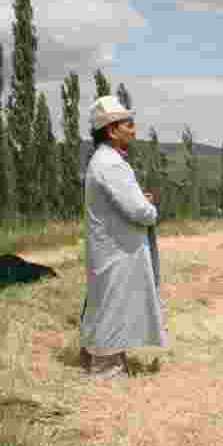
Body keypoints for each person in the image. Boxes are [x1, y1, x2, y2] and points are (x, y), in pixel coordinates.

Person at [81, 96, 166, 379]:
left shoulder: (103, 161)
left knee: (106, 301)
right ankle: (106, 367)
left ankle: (99, 357)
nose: (133, 130)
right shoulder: (112, 165)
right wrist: (150, 208)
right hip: (116, 251)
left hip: (111, 247)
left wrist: (139, 200)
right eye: (128, 125)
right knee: (114, 304)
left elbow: (124, 201)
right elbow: (138, 211)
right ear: (111, 130)